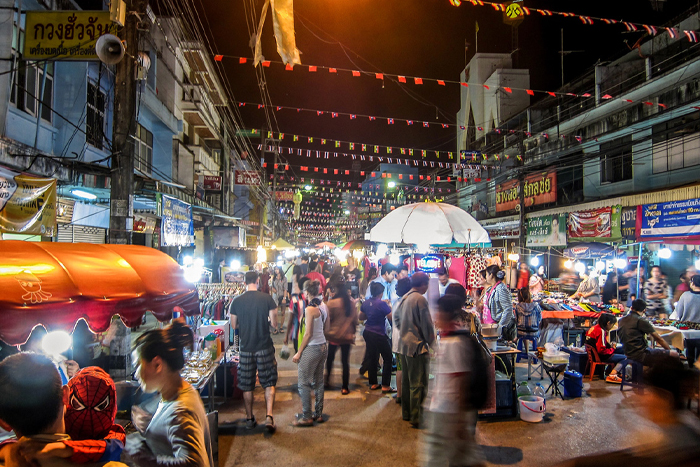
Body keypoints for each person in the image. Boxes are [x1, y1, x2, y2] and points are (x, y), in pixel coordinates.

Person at [559, 355, 700, 467]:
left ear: (664, 398)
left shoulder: (665, 445)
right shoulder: (687, 431)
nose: (642, 398)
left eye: (649, 391)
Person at [126, 322, 213, 467]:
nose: (136, 373)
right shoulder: (180, 392)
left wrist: (141, 458)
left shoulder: (180, 411)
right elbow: (173, 432)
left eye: (138, 365)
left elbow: (194, 463)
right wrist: (152, 426)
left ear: (157, 364)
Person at [422, 294, 485, 467]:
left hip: (447, 410)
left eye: (438, 313)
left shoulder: (454, 342)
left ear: (445, 314)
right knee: (460, 457)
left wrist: (460, 419)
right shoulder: (449, 337)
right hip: (443, 408)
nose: (435, 318)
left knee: (436, 458)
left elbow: (461, 381)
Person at [229, 271, 279, 432]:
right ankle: (269, 416)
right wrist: (268, 323)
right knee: (269, 382)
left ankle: (249, 418)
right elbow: (274, 324)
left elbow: (234, 325)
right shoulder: (267, 299)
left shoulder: (236, 301)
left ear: (244, 282)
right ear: (257, 281)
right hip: (264, 346)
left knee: (247, 384)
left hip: (246, 348)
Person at [394, 272, 435, 428]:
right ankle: (416, 417)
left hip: (404, 345)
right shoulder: (420, 299)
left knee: (407, 382)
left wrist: (405, 331)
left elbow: (396, 319)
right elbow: (427, 326)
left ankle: (407, 413)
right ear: (423, 284)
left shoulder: (405, 298)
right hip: (416, 347)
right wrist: (433, 345)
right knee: (418, 383)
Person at [292, 280, 329, 427]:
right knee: (318, 381)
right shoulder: (324, 306)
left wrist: (299, 353)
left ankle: (307, 416)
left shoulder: (309, 310)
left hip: (312, 348)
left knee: (303, 383)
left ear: (307, 292)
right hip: (323, 347)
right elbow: (327, 327)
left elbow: (307, 334)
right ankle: (318, 414)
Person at [324, 277, 359, 395]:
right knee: (345, 362)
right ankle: (345, 387)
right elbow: (355, 320)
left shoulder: (332, 303)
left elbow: (328, 319)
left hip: (334, 336)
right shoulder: (351, 302)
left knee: (330, 359)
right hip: (347, 336)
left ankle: (327, 380)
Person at [618, 299, 678, 366]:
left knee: (653, 349)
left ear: (631, 308)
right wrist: (669, 351)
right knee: (674, 354)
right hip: (640, 355)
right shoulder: (641, 320)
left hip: (626, 352)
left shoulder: (621, 320)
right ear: (644, 310)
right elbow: (659, 339)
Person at [360, 282, 395, 393]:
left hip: (368, 332)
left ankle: (373, 383)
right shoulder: (382, 304)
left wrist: (370, 315)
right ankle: (385, 385)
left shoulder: (366, 303)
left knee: (372, 357)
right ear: (380, 293)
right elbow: (391, 317)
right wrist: (388, 307)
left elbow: (360, 316)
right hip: (379, 333)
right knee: (388, 358)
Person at [585, 313, 626, 383]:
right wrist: (612, 349)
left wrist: (611, 347)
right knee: (626, 357)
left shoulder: (593, 328)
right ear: (608, 323)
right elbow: (601, 350)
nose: (612, 327)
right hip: (600, 356)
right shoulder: (601, 331)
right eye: (612, 324)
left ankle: (609, 371)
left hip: (593, 355)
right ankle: (613, 374)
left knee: (621, 350)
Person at [392, 278, 413, 405]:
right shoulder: (409, 303)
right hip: (407, 342)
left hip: (397, 341)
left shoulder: (396, 303)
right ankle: (406, 395)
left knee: (400, 368)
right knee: (409, 369)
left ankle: (399, 394)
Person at [483, 265, 516, 341]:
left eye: (487, 274)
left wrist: (500, 326)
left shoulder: (501, 288)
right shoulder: (492, 288)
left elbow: (508, 309)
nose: (486, 277)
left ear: (491, 275)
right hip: (494, 325)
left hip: (501, 328)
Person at [285, 277, 309, 353]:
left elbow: (290, 319)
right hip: (311, 334)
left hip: (297, 333)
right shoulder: (315, 300)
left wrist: (287, 335)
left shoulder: (295, 300)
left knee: (299, 356)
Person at [271, 267, 288, 335]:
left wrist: (284, 298)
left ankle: (281, 327)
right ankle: (276, 328)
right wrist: (273, 289)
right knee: (275, 313)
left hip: (282, 296)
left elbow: (285, 289)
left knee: (282, 312)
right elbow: (271, 286)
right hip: (275, 296)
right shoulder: (273, 278)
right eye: (275, 269)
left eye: (277, 269)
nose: (276, 271)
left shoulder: (284, 278)